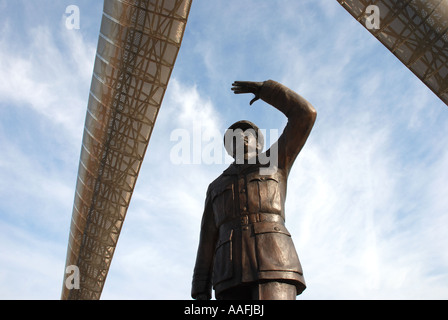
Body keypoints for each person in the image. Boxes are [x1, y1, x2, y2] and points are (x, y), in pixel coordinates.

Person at [191, 80, 317, 300]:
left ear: (259, 142)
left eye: (247, 132)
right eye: (234, 134)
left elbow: (305, 114)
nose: (241, 135)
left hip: (275, 263)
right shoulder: (215, 187)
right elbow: (207, 239)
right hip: (228, 275)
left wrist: (266, 90)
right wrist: (200, 289)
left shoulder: (276, 162)